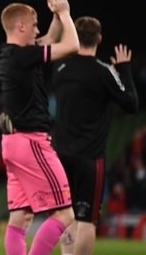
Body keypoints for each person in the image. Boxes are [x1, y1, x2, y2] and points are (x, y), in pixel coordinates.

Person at [0, 0, 79, 255]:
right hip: (32, 143)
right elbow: (71, 45)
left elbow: (49, 40)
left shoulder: (8, 54)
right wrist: (65, 12)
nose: (37, 29)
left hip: (12, 144)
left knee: (20, 219)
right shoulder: (22, 56)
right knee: (65, 215)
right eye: (33, 24)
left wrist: (55, 14)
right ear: (20, 27)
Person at [52, 17, 138, 255]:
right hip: (90, 156)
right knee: (87, 218)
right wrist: (123, 70)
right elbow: (131, 104)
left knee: (65, 213)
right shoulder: (104, 72)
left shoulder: (60, 69)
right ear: (99, 39)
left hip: (60, 154)